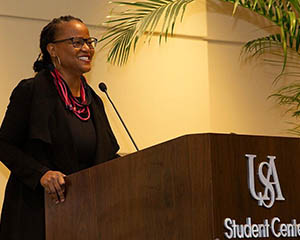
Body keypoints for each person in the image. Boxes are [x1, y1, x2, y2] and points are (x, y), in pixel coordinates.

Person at [0, 15, 119, 240]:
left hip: (83, 217)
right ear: (52, 50)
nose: (87, 48)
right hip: (36, 214)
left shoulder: (93, 100)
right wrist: (41, 174)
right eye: (77, 42)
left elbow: (106, 156)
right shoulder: (31, 92)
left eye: (89, 41)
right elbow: (4, 144)